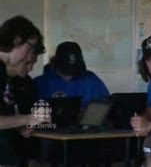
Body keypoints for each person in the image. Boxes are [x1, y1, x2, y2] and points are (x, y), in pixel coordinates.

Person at [0, 15, 47, 165]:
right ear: (16, 40)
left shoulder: (10, 76)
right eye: (30, 48)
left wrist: (19, 126)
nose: (29, 55)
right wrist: (27, 119)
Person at [34, 41, 110, 107]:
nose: (69, 77)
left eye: (74, 71)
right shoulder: (40, 83)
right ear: (55, 64)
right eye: (65, 71)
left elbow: (106, 109)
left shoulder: (92, 81)